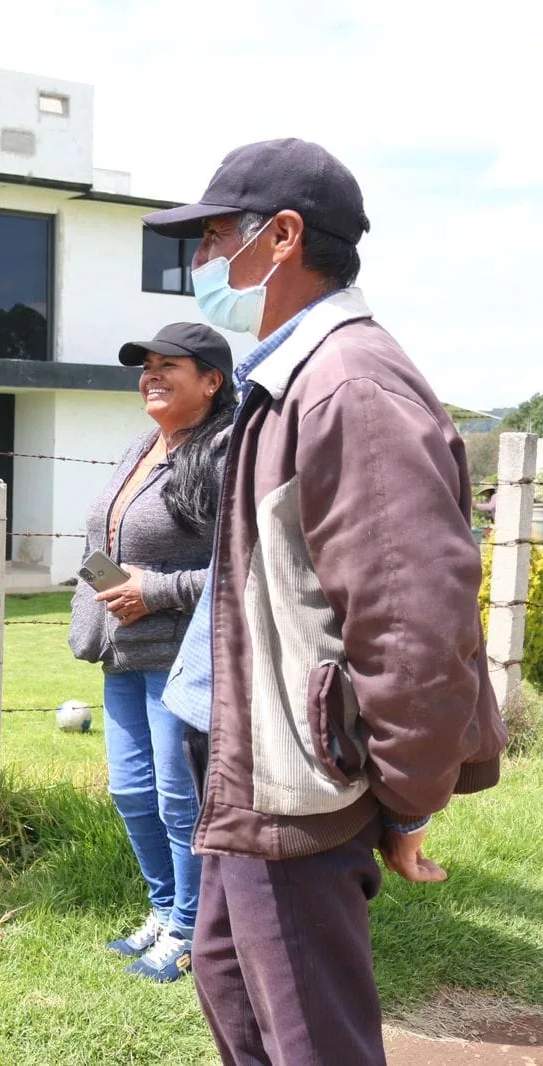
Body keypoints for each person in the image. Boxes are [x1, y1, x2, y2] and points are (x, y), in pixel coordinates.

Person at [145, 139, 507, 1065]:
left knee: (311, 1040)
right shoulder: (293, 378)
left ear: (283, 238)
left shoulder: (349, 386)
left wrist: (411, 800)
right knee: (243, 1009)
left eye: (216, 236)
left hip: (300, 796)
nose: (199, 263)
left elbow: (415, 626)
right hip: (251, 782)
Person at [69, 321, 234, 983]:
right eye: (146, 367)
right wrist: (104, 602)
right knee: (131, 793)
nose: (152, 376)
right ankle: (163, 910)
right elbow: (108, 540)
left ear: (212, 381)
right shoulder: (143, 444)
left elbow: (243, 565)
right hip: (123, 651)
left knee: (178, 799)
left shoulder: (226, 453)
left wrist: (155, 591)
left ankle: (191, 928)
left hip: (182, 658)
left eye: (171, 366)